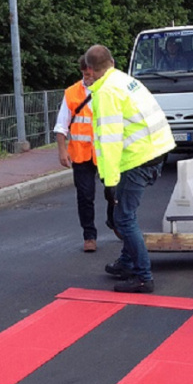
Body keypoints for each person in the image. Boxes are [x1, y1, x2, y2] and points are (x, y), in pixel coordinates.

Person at [84, 44, 176, 293]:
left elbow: (110, 141)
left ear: (90, 70)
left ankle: (143, 276)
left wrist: (110, 181)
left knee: (124, 219)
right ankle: (126, 263)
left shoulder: (106, 93)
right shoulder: (124, 80)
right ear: (112, 62)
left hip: (138, 157)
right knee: (124, 215)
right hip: (156, 150)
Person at [54, 56, 117, 253]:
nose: (87, 77)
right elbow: (61, 125)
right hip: (81, 154)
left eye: (89, 74)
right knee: (85, 196)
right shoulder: (72, 93)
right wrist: (62, 150)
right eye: (84, 74)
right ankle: (89, 236)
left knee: (113, 193)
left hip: (105, 153)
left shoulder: (109, 90)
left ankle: (114, 221)